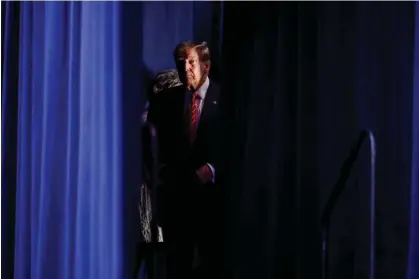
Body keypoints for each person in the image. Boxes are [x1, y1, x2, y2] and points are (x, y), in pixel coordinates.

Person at [147, 41, 226, 279]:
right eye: (181, 63)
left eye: (191, 62)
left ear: (206, 66)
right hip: (176, 201)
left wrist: (212, 169)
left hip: (211, 201)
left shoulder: (225, 99)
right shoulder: (168, 100)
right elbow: (157, 142)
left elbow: (234, 143)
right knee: (176, 267)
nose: (186, 69)